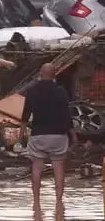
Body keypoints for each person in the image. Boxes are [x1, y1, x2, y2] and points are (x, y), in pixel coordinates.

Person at [21, 63, 77, 207]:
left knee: (36, 167)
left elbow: (25, 115)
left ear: (40, 73)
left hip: (38, 134)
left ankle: (36, 201)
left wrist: (21, 134)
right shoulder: (60, 91)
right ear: (54, 74)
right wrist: (73, 135)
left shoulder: (32, 91)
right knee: (58, 167)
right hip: (58, 135)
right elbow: (66, 115)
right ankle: (58, 201)